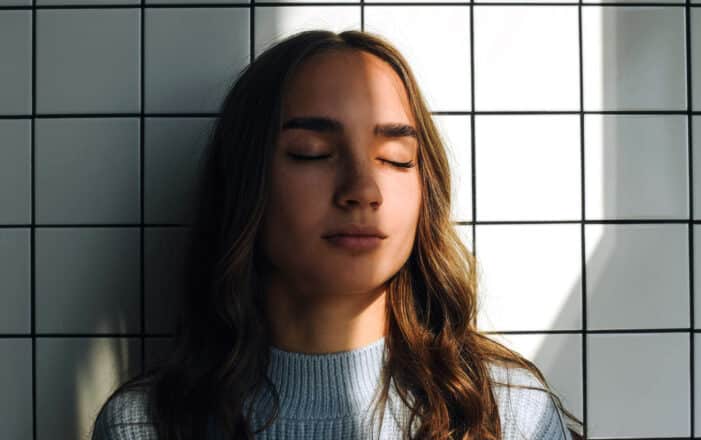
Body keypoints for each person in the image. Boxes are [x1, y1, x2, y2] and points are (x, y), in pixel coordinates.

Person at [90, 29, 584, 440]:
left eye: (395, 158)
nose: (363, 190)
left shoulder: (507, 414)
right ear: (245, 183)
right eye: (311, 152)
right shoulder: (144, 426)